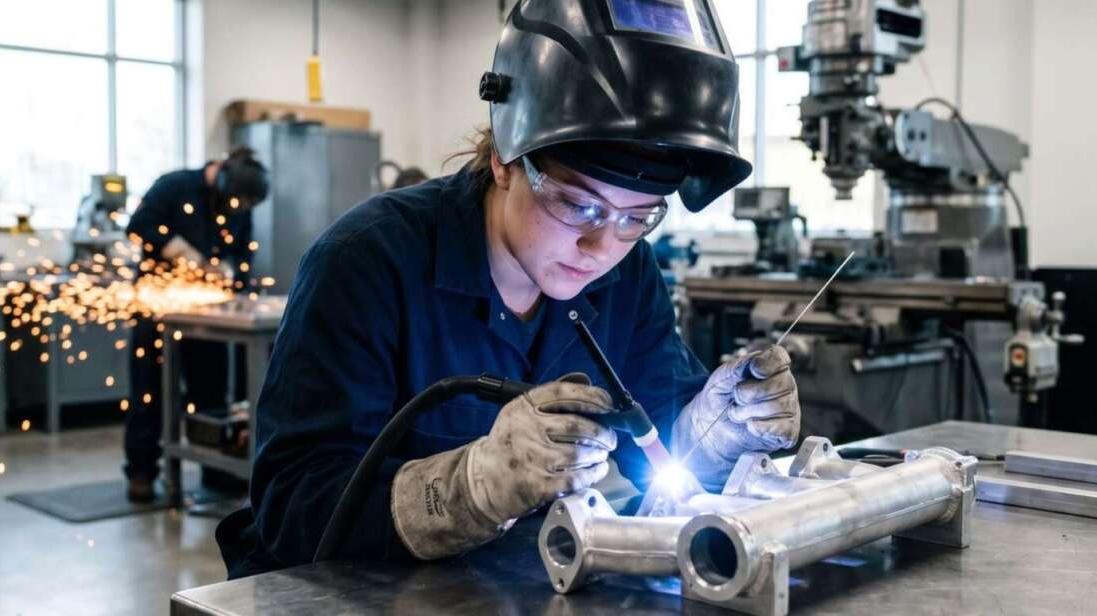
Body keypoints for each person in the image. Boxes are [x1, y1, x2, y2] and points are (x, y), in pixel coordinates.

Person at [216, 0, 799, 575]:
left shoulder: (629, 272)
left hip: (510, 578)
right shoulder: (366, 263)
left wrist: (714, 435)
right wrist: (471, 487)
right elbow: (294, 508)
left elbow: (661, 446)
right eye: (579, 205)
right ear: (503, 157)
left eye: (636, 217)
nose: (602, 248)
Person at [121, 147, 269, 502]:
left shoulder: (238, 204)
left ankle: (217, 469)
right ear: (220, 178)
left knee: (212, 394)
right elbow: (138, 227)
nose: (237, 211)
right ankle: (142, 472)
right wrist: (188, 256)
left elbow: (244, 256)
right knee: (149, 393)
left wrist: (232, 274)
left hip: (208, 315)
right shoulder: (174, 186)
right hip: (157, 310)